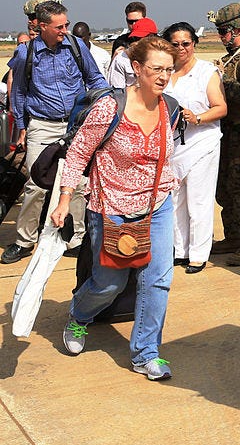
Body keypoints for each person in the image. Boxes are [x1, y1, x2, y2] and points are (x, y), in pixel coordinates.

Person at [50, 36, 179, 380]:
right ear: (137, 69)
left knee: (158, 280)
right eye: (157, 69)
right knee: (110, 284)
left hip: (157, 205)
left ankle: (145, 353)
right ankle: (79, 315)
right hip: (111, 207)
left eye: (169, 69)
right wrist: (65, 198)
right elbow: (78, 153)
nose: (164, 76)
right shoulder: (110, 108)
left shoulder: (171, 107)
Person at [1, 0, 107, 265]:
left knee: (79, 184)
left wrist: (103, 106)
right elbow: (20, 93)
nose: (64, 30)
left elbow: (95, 79)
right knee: (36, 184)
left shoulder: (76, 46)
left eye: (67, 24)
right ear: (42, 26)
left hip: (75, 125)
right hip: (42, 125)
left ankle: (76, 239)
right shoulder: (26, 54)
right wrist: (23, 128)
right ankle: (25, 240)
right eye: (59, 26)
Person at [162, 22, 227, 274]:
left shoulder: (206, 72)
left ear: (194, 44)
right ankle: (180, 250)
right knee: (175, 199)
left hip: (202, 142)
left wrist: (197, 117)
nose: (181, 49)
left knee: (198, 201)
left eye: (186, 43)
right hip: (173, 147)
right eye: (175, 44)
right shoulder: (166, 72)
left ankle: (198, 254)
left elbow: (220, 107)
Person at [207, 0, 240, 266]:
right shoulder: (232, 58)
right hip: (226, 131)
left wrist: (220, 78)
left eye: (224, 31)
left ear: (239, 29)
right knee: (224, 186)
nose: (221, 37)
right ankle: (233, 236)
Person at [107, 18, 158, 88]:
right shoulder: (122, 59)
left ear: (153, 37)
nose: (136, 42)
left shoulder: (164, 57)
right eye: (134, 38)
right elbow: (117, 92)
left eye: (140, 38)